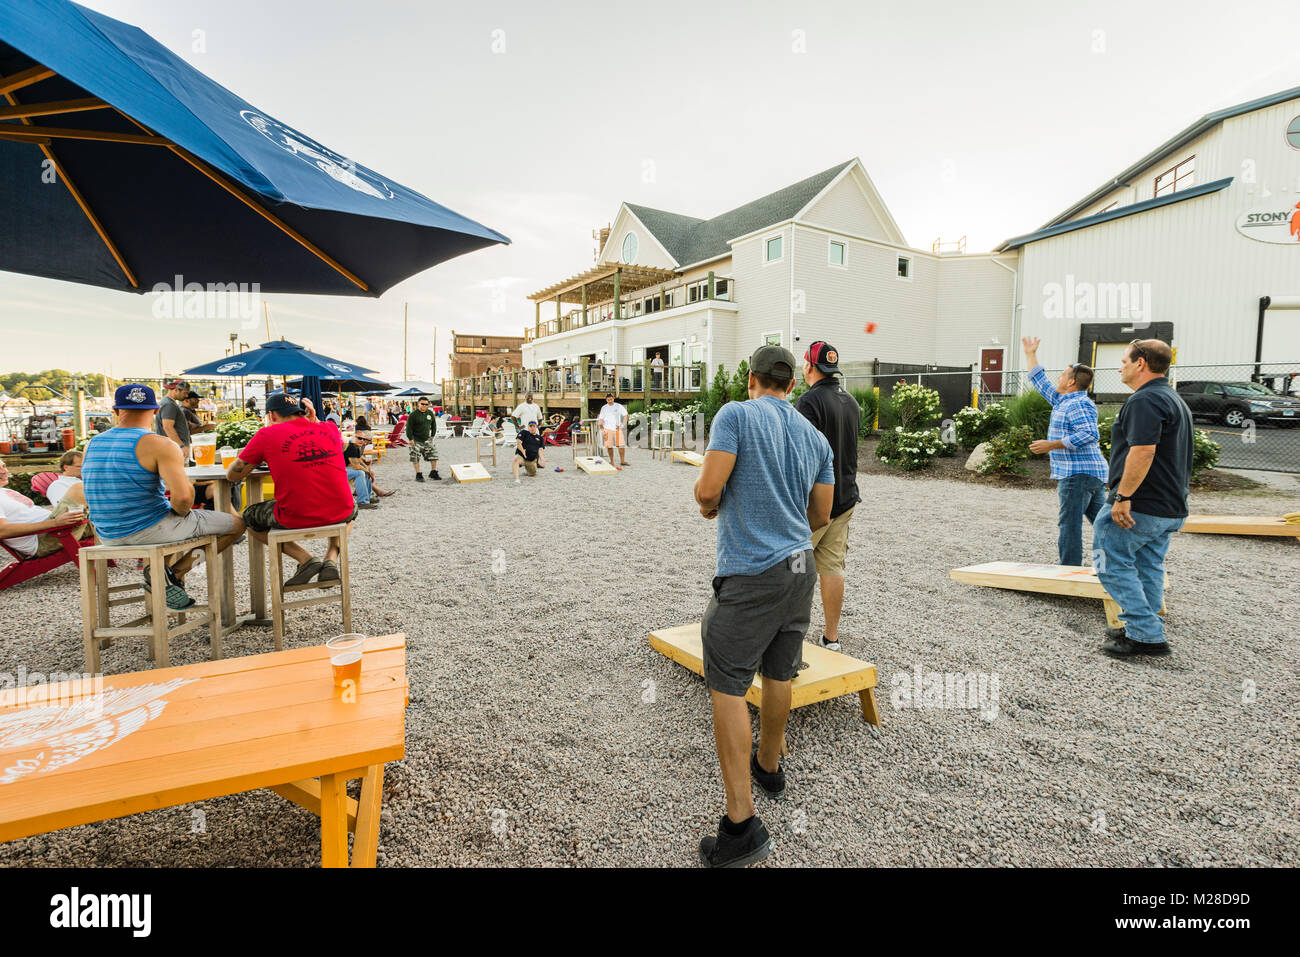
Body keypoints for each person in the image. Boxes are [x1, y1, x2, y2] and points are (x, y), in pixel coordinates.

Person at [692, 345, 834, 868]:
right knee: (780, 669)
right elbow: (820, 514)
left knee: (726, 682)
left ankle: (741, 825)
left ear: (751, 379)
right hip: (801, 567)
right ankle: (770, 766)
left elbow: (709, 487)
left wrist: (708, 503)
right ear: (792, 384)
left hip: (752, 570)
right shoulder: (813, 435)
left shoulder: (735, 414)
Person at [82, 384, 244, 609]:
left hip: (107, 534)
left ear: (116, 411)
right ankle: (174, 574)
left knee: (170, 522)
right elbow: (184, 498)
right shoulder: (161, 444)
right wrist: (180, 514)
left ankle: (162, 573)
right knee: (237, 524)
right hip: (150, 530)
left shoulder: (92, 444)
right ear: (156, 411)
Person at [1093, 339, 1193, 659]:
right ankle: (1143, 625)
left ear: (1141, 363)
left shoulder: (1145, 400)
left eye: (1124, 360)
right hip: (1169, 506)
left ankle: (1145, 634)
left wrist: (1123, 496)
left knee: (1107, 561)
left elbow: (1143, 450)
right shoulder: (1173, 399)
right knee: (1149, 565)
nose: (1119, 365)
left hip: (1140, 504)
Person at [227, 393, 355, 585]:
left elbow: (233, 475)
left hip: (295, 515)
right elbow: (344, 446)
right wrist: (317, 422)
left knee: (248, 517)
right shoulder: (329, 428)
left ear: (271, 415)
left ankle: (305, 559)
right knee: (350, 508)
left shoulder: (266, 435)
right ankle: (331, 558)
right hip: (341, 511)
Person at [794, 341, 861, 652]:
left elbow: (802, 458)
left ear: (809, 367)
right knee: (832, 567)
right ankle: (831, 638)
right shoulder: (851, 402)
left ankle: (787, 637)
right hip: (845, 497)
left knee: (794, 567)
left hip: (816, 502)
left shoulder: (808, 403)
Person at [1022, 337, 1109, 566]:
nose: (1058, 377)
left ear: (1071, 382)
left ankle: (1069, 572)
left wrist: (1052, 444)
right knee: (1104, 524)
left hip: (1078, 474)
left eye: (1062, 374)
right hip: (1089, 473)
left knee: (1070, 524)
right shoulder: (1064, 400)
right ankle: (1108, 568)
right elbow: (1040, 381)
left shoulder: (1077, 404)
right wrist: (1030, 353)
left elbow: (1090, 434)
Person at [0, 456, 93, 558]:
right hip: (47, 537)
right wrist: (55, 522)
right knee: (79, 487)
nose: (4, 471)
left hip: (59, 528)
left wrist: (54, 513)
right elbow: (2, 530)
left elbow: (29, 513)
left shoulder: (5, 492)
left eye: (4, 466)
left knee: (109, 515)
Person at [344, 431, 394, 509]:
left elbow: (359, 460)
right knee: (360, 473)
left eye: (364, 439)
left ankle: (368, 496)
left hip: (342, 469)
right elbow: (356, 465)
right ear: (353, 437)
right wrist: (367, 470)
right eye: (359, 438)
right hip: (337, 471)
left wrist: (367, 469)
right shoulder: (351, 446)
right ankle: (362, 501)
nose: (362, 441)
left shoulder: (356, 446)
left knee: (365, 472)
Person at [154, 378, 192, 462]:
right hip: (172, 449)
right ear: (176, 390)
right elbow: (168, 427)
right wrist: (181, 446)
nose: (186, 396)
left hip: (171, 448)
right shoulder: (169, 404)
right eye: (185, 393)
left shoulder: (169, 403)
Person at [405, 396, 441, 482]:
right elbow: (409, 428)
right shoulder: (413, 415)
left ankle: (433, 472)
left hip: (427, 439)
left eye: (426, 404)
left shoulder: (430, 413)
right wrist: (410, 439)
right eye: (422, 404)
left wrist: (432, 435)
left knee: (434, 455)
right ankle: (418, 474)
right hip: (416, 439)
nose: (424, 406)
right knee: (415, 456)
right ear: (418, 404)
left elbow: (433, 425)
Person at [597, 393, 630, 467]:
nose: (610, 401)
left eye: (611, 399)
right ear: (606, 400)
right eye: (608, 400)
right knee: (609, 446)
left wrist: (623, 425)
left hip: (617, 429)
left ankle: (622, 461)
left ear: (613, 398)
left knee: (621, 445)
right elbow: (601, 419)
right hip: (607, 429)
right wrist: (602, 430)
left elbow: (626, 415)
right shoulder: (604, 408)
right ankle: (611, 461)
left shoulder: (618, 406)